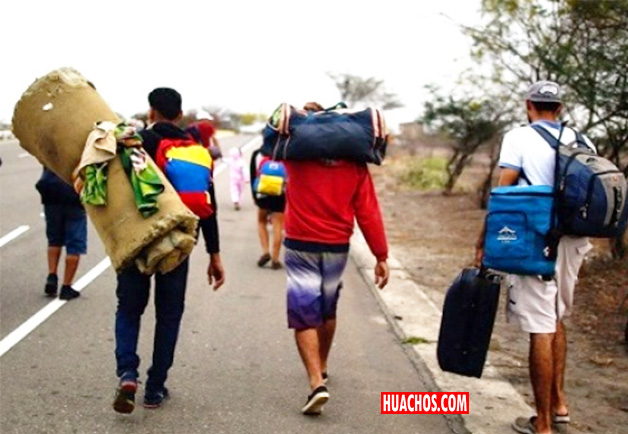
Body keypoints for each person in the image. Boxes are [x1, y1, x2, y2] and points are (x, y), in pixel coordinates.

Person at [474, 81, 594, 434]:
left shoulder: (519, 137)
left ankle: (542, 424)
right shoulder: (583, 140)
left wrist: (484, 240)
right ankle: (559, 405)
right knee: (557, 317)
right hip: (575, 240)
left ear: (529, 105)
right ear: (559, 108)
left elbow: (504, 193)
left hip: (536, 239)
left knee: (540, 326)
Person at [112, 88, 225, 414]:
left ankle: (128, 373)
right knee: (169, 315)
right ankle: (155, 387)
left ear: (151, 112)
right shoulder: (196, 151)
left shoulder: (135, 144)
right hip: (178, 243)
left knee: (129, 309)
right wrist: (214, 255)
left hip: (138, 239)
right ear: (179, 115)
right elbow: (209, 207)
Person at [283, 102, 390, 415]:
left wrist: (303, 118)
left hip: (300, 243)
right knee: (327, 309)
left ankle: (316, 382)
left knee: (304, 313)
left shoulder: (296, 158)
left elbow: (277, 137)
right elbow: (368, 212)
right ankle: (323, 365)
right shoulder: (355, 165)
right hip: (336, 246)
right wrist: (380, 254)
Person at [35, 167, 87, 300]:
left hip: (51, 192)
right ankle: (66, 286)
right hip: (73, 194)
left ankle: (52, 275)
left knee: (54, 239)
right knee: (75, 243)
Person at [250, 147, 285, 269]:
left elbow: (254, 175)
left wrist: (255, 196)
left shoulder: (259, 154)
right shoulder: (285, 154)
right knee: (278, 225)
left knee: (261, 222)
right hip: (280, 194)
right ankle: (275, 258)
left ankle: (265, 252)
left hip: (263, 193)